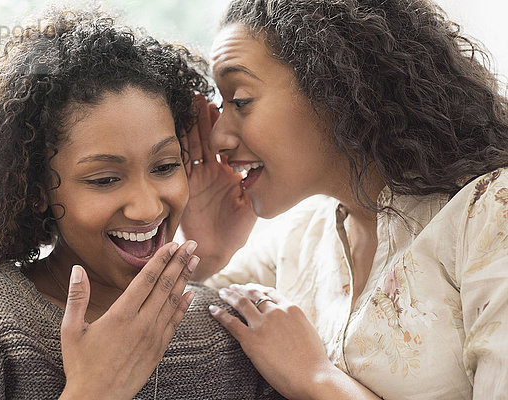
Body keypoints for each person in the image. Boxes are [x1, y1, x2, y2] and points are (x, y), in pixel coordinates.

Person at [0, 8, 283, 400]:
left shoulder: (227, 331)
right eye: (105, 179)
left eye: (166, 166)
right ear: (38, 189)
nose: (146, 208)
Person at [180, 0, 508, 398]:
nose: (218, 138)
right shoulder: (301, 238)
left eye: (241, 100)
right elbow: (176, 321)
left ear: (334, 88)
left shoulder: (489, 213)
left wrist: (317, 379)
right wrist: (210, 254)